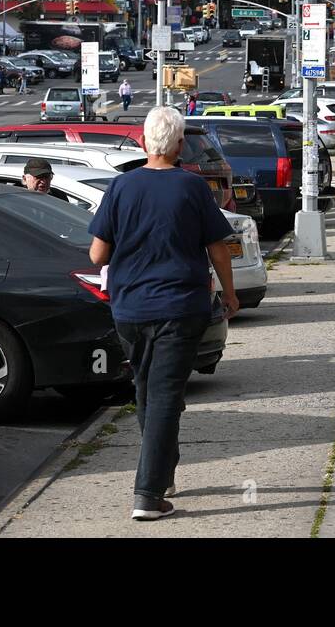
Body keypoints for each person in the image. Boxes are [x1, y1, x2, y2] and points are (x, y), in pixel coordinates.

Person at [88, 106, 239, 522]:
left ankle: (162, 471)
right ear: (178, 145)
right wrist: (229, 294)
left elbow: (97, 254)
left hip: (130, 308)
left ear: (143, 142)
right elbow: (218, 248)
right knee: (166, 396)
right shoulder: (192, 187)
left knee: (146, 389)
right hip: (179, 306)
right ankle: (148, 495)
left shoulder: (121, 186)